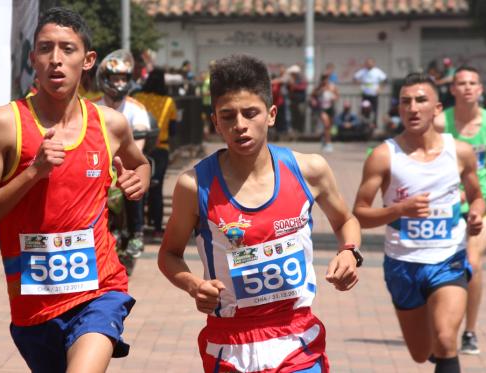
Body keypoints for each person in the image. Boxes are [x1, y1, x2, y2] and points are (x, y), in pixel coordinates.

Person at [0, 8, 151, 372]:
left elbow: (140, 163)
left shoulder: (110, 124)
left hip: (99, 290)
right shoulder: (6, 124)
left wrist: (140, 177)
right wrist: (33, 172)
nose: (56, 60)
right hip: (34, 305)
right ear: (33, 57)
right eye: (46, 49)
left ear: (88, 59)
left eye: (68, 49)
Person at [158, 54, 362, 373]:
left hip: (297, 337)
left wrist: (350, 253)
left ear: (270, 114)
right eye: (227, 116)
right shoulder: (193, 185)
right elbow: (169, 254)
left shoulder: (310, 170)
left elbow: (346, 221)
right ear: (215, 122)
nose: (239, 125)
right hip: (229, 342)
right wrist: (193, 285)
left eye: (250, 113)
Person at [353, 72, 485, 373]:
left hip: (448, 259)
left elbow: (476, 196)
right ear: (399, 109)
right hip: (403, 264)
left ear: (437, 108)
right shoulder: (384, 156)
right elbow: (359, 214)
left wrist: (475, 212)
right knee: (420, 352)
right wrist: (400, 210)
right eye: (405, 102)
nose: (413, 108)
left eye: (421, 100)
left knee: (445, 338)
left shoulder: (459, 152)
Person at [433, 66, 486, 355]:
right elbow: (426, 159)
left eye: (472, 83)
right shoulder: (440, 123)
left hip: (480, 204)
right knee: (437, 267)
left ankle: (470, 332)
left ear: (480, 89)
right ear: (452, 90)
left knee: (472, 264)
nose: (466, 88)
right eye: (461, 83)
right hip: (444, 208)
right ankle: (440, 326)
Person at [95, 49, 152, 258]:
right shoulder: (91, 106)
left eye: (123, 78)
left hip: (127, 164)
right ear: (104, 79)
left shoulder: (136, 109)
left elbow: (139, 146)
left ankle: (137, 232)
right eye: (114, 78)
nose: (119, 82)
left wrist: (123, 168)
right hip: (97, 165)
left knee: (134, 184)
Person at [134, 67, 178, 240]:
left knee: (137, 187)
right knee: (156, 188)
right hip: (161, 149)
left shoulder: (137, 99)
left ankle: (137, 227)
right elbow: (173, 129)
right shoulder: (169, 102)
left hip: (138, 146)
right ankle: (157, 228)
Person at [353, 58, 387, 124]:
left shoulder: (377, 71)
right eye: (367, 63)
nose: (368, 64)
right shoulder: (363, 71)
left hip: (374, 94)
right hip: (365, 94)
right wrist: (359, 85)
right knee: (364, 109)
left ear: (373, 63)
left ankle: (374, 124)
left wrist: (380, 89)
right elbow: (355, 78)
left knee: (374, 110)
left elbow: (385, 80)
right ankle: (363, 123)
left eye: (370, 63)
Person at [311, 73, 339, 152]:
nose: (325, 81)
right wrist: (314, 100)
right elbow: (312, 95)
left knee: (329, 126)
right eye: (323, 79)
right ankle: (328, 143)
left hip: (330, 108)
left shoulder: (332, 87)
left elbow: (337, 96)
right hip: (322, 108)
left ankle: (325, 139)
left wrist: (334, 97)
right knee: (326, 125)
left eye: (326, 79)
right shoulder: (319, 87)